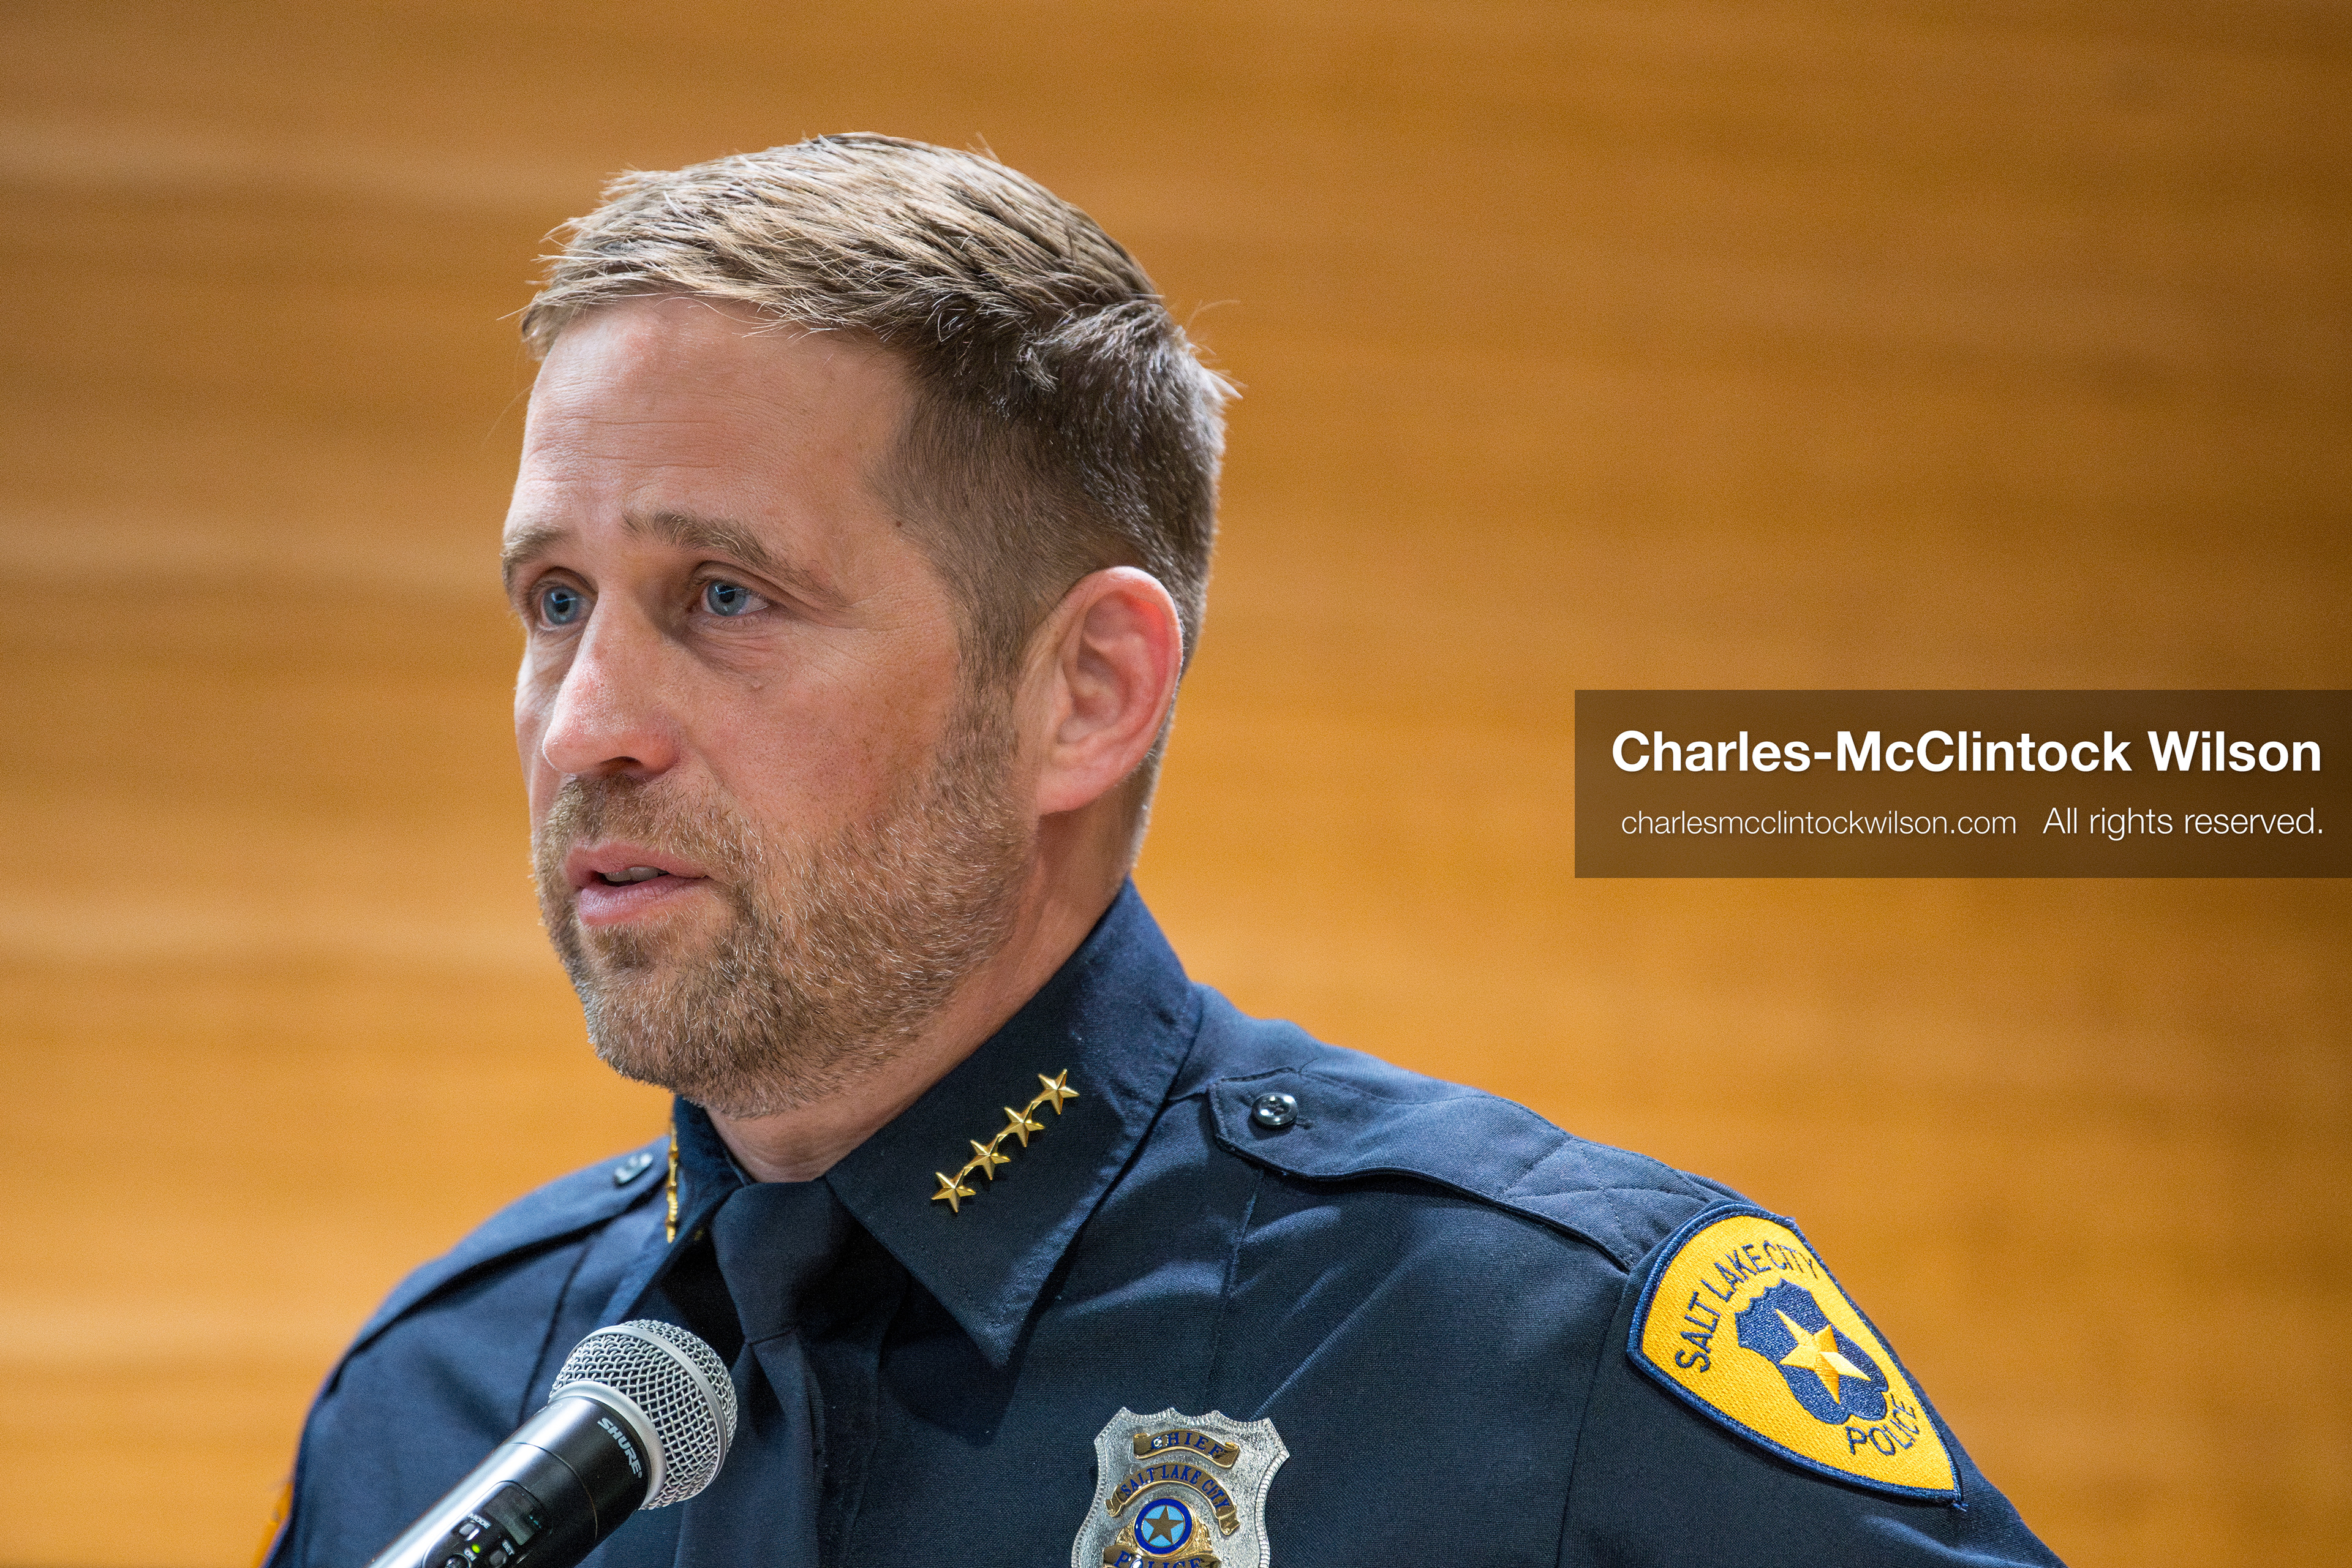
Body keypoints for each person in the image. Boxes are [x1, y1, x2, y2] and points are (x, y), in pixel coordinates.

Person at [265, 135, 2062, 1567]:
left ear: (1089, 691)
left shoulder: (1540, 1361)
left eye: (722, 596)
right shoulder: (440, 1409)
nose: (585, 724)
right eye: (554, 600)